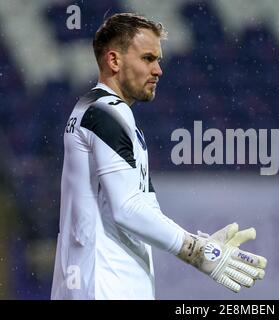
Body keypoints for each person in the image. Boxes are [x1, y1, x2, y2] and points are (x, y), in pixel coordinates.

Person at [51, 13, 267, 300]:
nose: (158, 70)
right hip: (103, 287)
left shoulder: (101, 111)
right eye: (148, 58)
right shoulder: (105, 113)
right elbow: (127, 208)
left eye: (158, 60)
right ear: (114, 61)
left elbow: (142, 205)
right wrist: (194, 251)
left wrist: (200, 243)